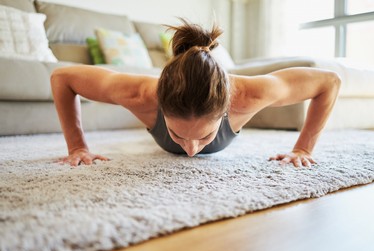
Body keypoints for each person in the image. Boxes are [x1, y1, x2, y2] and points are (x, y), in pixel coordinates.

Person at [51, 19, 341, 168]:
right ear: (159, 103)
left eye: (204, 136)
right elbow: (62, 77)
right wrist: (77, 146)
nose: (191, 151)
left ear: (228, 107)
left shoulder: (251, 93)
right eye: (177, 135)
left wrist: (303, 148)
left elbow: (329, 82)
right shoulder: (139, 94)